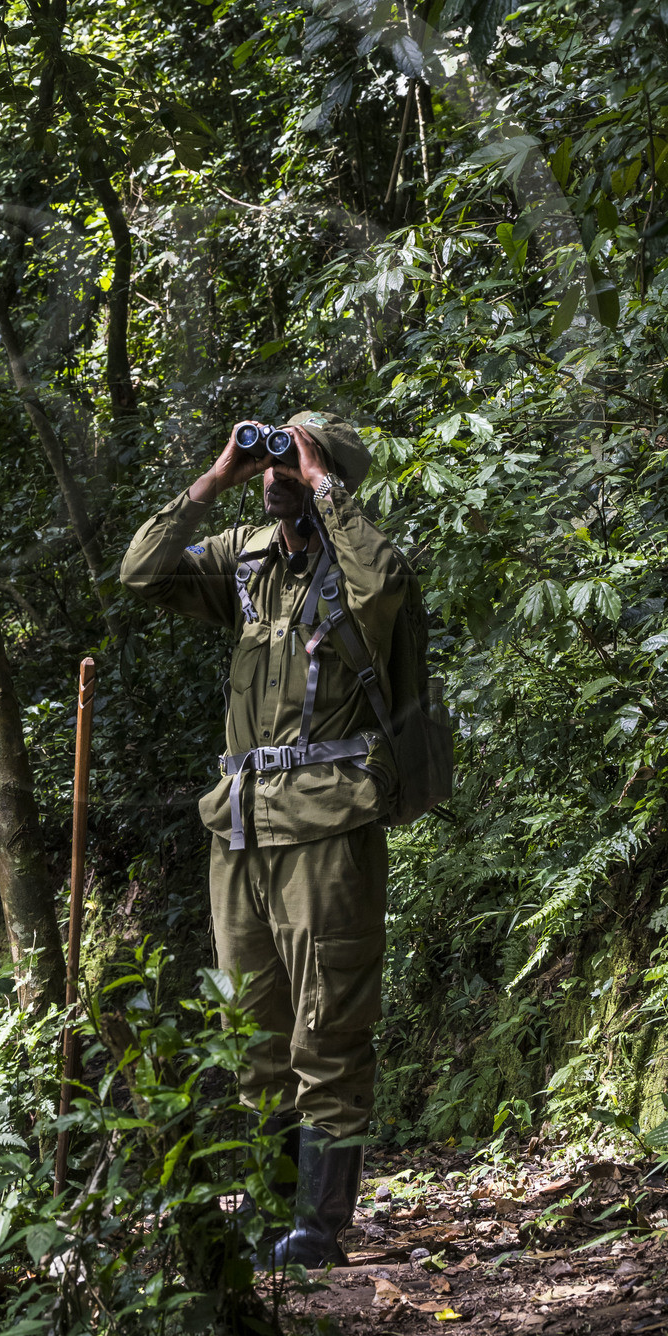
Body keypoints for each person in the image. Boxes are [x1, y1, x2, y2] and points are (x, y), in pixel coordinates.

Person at [119, 410, 426, 1267]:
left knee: (327, 1029)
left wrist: (321, 482)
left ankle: (317, 1231)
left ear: (329, 476)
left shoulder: (360, 564)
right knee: (252, 1036)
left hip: (328, 824)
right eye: (272, 461)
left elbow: (385, 584)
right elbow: (141, 572)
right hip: (240, 828)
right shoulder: (247, 559)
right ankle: (269, 1220)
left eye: (294, 461)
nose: (275, 474)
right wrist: (215, 477)